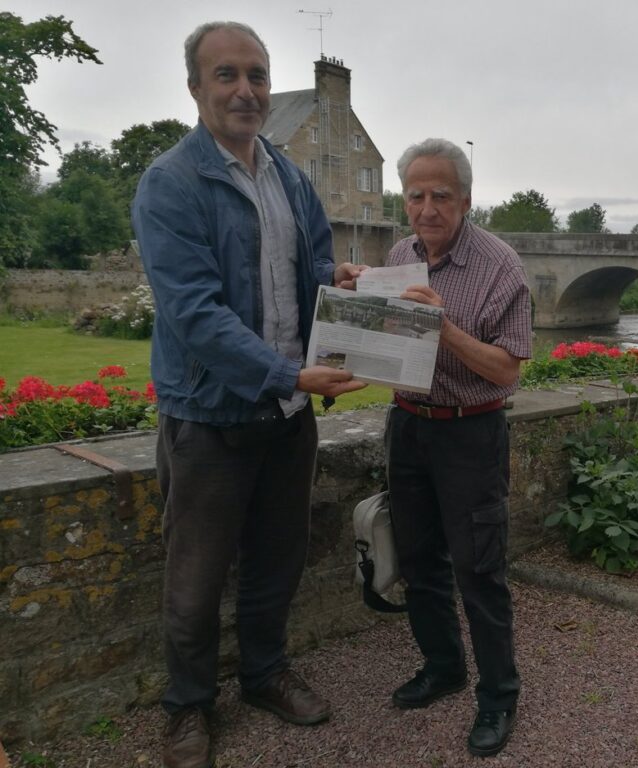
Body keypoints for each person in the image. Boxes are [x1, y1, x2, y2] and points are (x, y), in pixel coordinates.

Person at [132, 21, 365, 768]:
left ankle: (265, 674)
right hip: (210, 419)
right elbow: (195, 315)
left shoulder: (290, 178)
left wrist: (352, 292)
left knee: (277, 561)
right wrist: (288, 374)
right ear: (196, 87)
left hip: (287, 416)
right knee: (195, 581)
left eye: (258, 75)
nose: (246, 90)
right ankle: (187, 708)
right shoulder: (170, 182)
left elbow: (317, 269)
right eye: (227, 75)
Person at [344, 138, 531, 757]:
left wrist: (443, 326)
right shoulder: (400, 256)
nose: (427, 207)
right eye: (416, 195)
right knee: (421, 560)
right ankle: (444, 667)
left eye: (440, 195)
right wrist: (354, 299)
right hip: (410, 424)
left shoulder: (501, 266)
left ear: (466, 200)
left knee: (479, 570)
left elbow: (508, 371)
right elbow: (380, 341)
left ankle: (498, 697)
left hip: (471, 430)